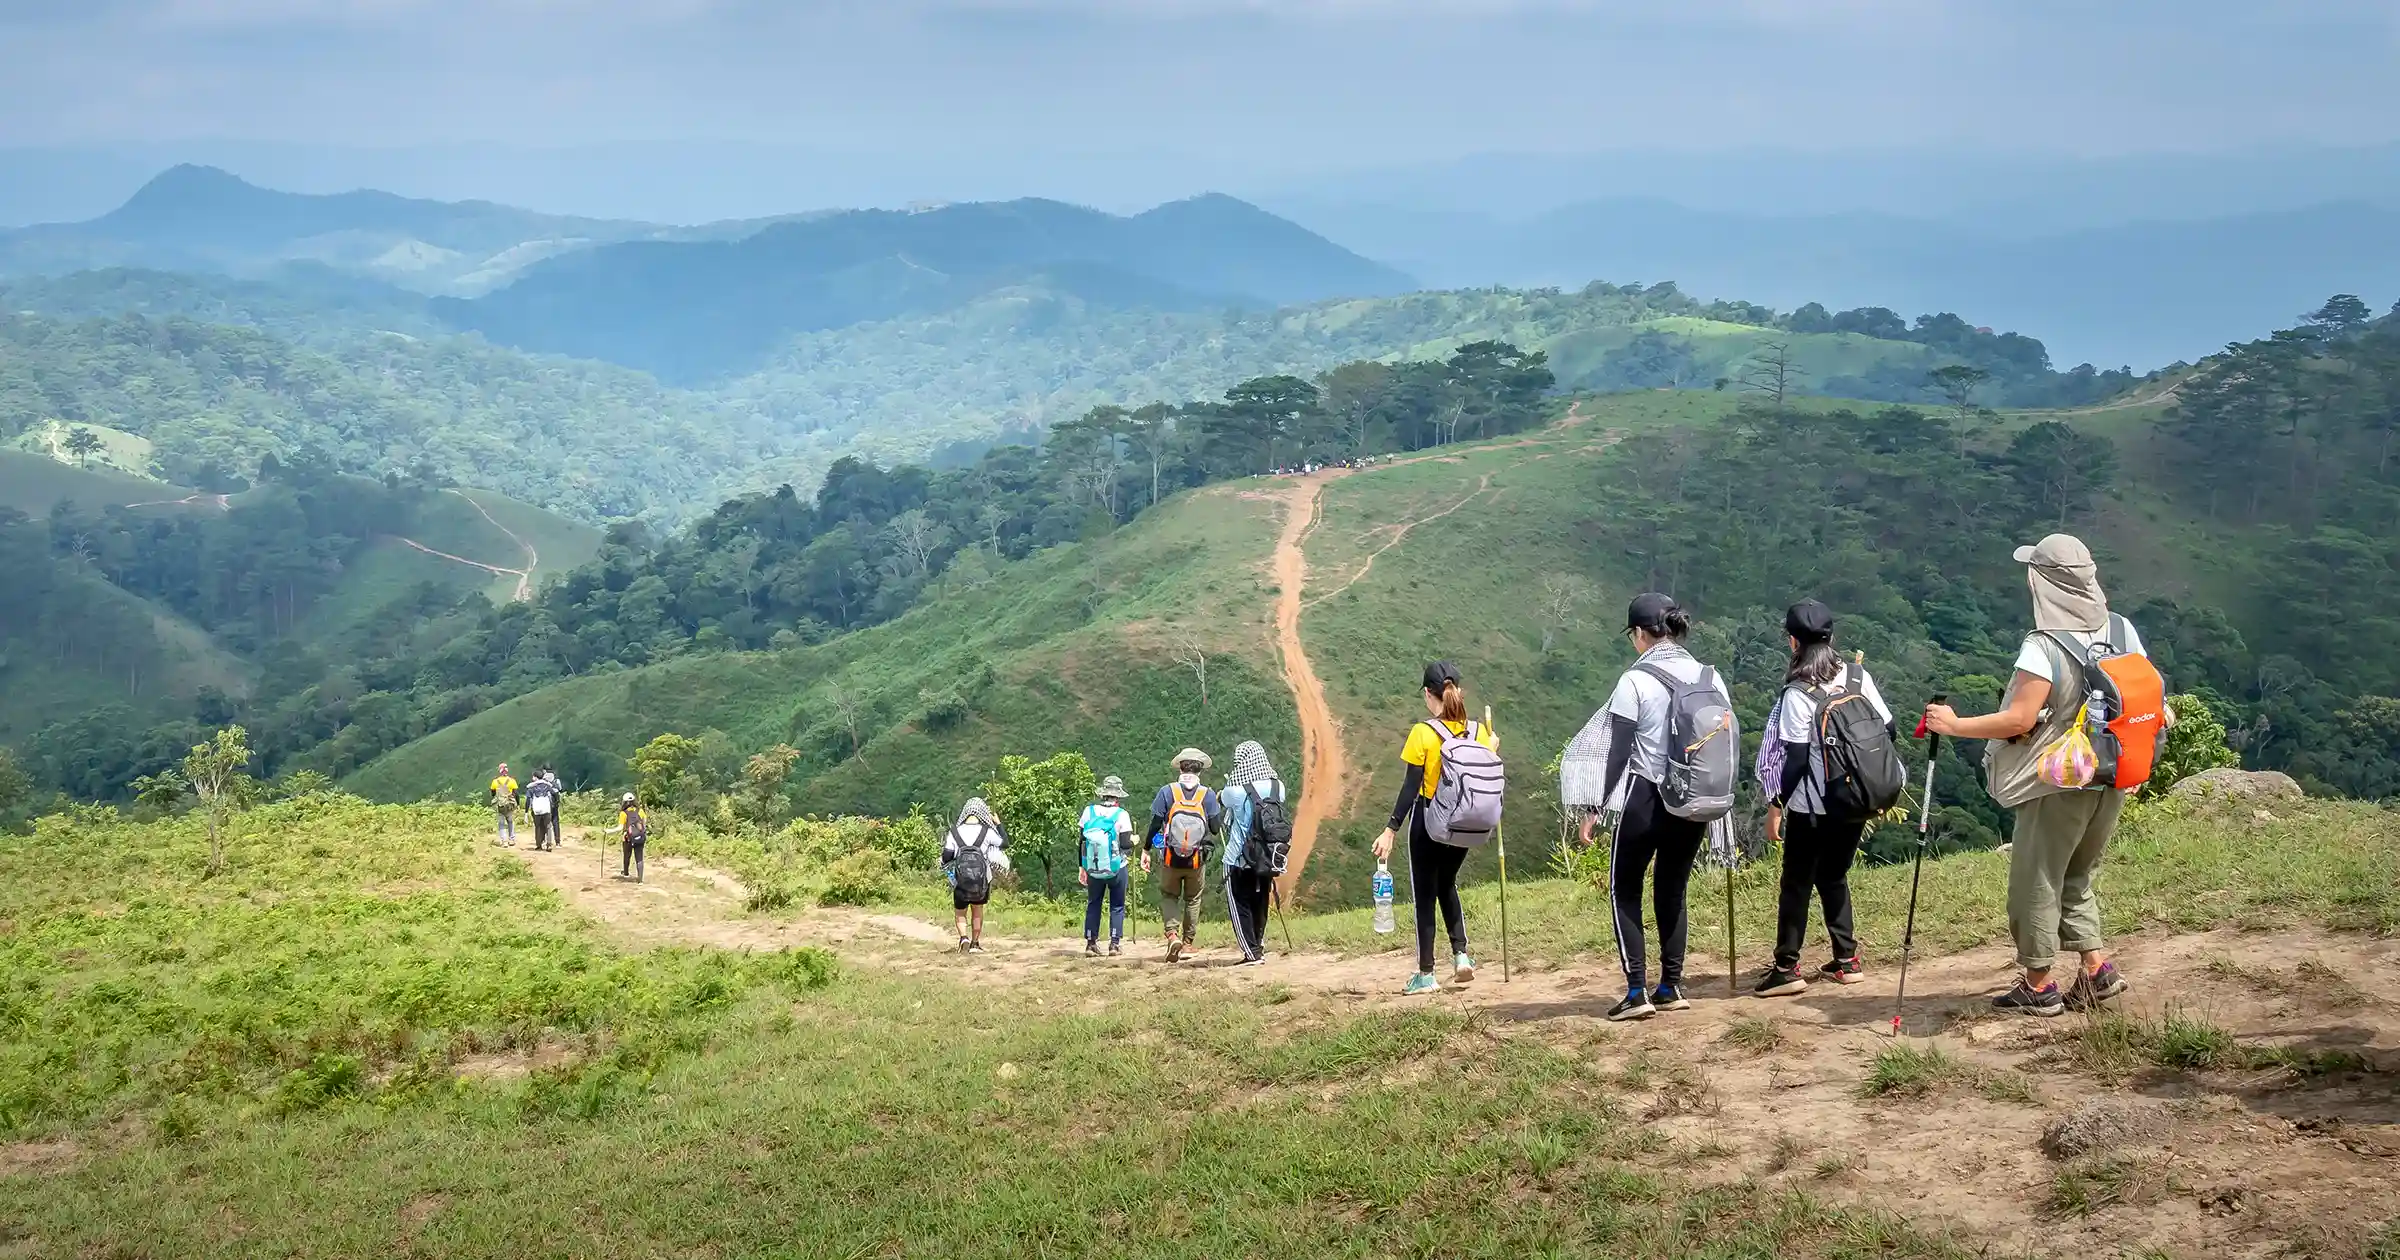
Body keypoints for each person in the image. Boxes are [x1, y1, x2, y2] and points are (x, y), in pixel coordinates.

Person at [1923, 534, 2150, 1017]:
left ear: (2042, 583)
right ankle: (2096, 969)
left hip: (2061, 779)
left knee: (2036, 878)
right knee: (2076, 872)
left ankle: (2038, 984)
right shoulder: (2123, 630)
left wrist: (1954, 724)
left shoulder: (2043, 645)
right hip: (2114, 771)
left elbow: (2020, 720)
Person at [1560, 593, 1730, 1022]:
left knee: (1624, 890)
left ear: (1639, 633)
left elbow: (1618, 754)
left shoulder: (1634, 681)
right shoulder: (1710, 676)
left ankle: (1636, 991)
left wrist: (1594, 807)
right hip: (1692, 799)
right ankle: (1671, 986)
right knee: (1672, 890)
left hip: (1646, 798)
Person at [1752, 600, 1893, 996]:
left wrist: (1776, 804)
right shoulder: (1855, 676)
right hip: (1853, 801)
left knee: (1796, 883)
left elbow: (1795, 760)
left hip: (1811, 807)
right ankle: (1847, 961)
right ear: (1832, 637)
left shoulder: (1798, 692)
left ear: (1792, 641)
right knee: (1833, 875)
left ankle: (1786, 968)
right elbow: (1888, 728)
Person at [1370, 661, 1492, 996]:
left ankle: (1426, 974)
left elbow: (1411, 787)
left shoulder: (1423, 733)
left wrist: (1391, 829)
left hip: (1429, 822)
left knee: (1425, 895)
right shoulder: (1479, 731)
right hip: (1466, 823)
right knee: (1447, 884)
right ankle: (1462, 956)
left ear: (1428, 693)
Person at [1145, 749, 1222, 962]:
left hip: (1170, 857)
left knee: (1169, 895)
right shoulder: (1207, 795)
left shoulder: (1167, 792)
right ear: (1200, 771)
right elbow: (1215, 829)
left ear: (1180, 768)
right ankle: (1188, 944)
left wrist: (1146, 848)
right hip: (1196, 859)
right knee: (1193, 898)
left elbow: (1154, 823)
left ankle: (1172, 935)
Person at [1219, 740, 1287, 966]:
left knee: (1240, 904)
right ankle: (1259, 945)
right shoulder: (1278, 786)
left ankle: (1251, 952)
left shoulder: (1234, 790)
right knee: (1260, 901)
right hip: (1267, 855)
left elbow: (1222, 800)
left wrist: (1229, 781)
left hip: (1238, 856)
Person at [1078, 776, 1142, 956]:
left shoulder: (1088, 812)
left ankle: (1091, 943)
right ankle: (1114, 944)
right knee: (1117, 905)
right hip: (1117, 867)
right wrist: (1134, 841)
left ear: (1103, 794)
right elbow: (1125, 844)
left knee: (1094, 903)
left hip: (1093, 867)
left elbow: (1082, 842)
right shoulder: (1121, 814)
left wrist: (1082, 867)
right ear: (1118, 797)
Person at [942, 798, 1009, 954]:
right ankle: (975, 943)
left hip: (960, 880)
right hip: (982, 879)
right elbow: (1005, 843)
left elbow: (946, 857)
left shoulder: (954, 832)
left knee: (960, 912)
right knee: (977, 910)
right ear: (982, 814)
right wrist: (998, 824)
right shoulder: (987, 832)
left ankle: (963, 938)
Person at [526, 765, 562, 852]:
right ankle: (549, 844)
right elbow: (555, 793)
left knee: (538, 827)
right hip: (546, 809)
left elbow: (528, 800)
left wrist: (526, 812)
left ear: (535, 777)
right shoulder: (548, 786)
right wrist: (556, 803)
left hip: (537, 810)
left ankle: (539, 845)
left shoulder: (531, 787)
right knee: (548, 826)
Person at [616, 792, 648, 882]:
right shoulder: (640, 811)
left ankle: (626, 873)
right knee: (639, 858)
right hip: (640, 837)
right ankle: (640, 880)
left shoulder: (623, 813)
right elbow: (644, 823)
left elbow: (620, 827)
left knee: (627, 855)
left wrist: (608, 831)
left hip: (628, 838)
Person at [488, 762, 520, 847]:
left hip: (500, 805)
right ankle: (511, 839)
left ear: (500, 771)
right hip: (509, 804)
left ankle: (504, 841)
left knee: (501, 823)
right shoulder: (512, 781)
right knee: (510, 821)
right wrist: (518, 804)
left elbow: (493, 793)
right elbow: (516, 794)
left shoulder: (495, 781)